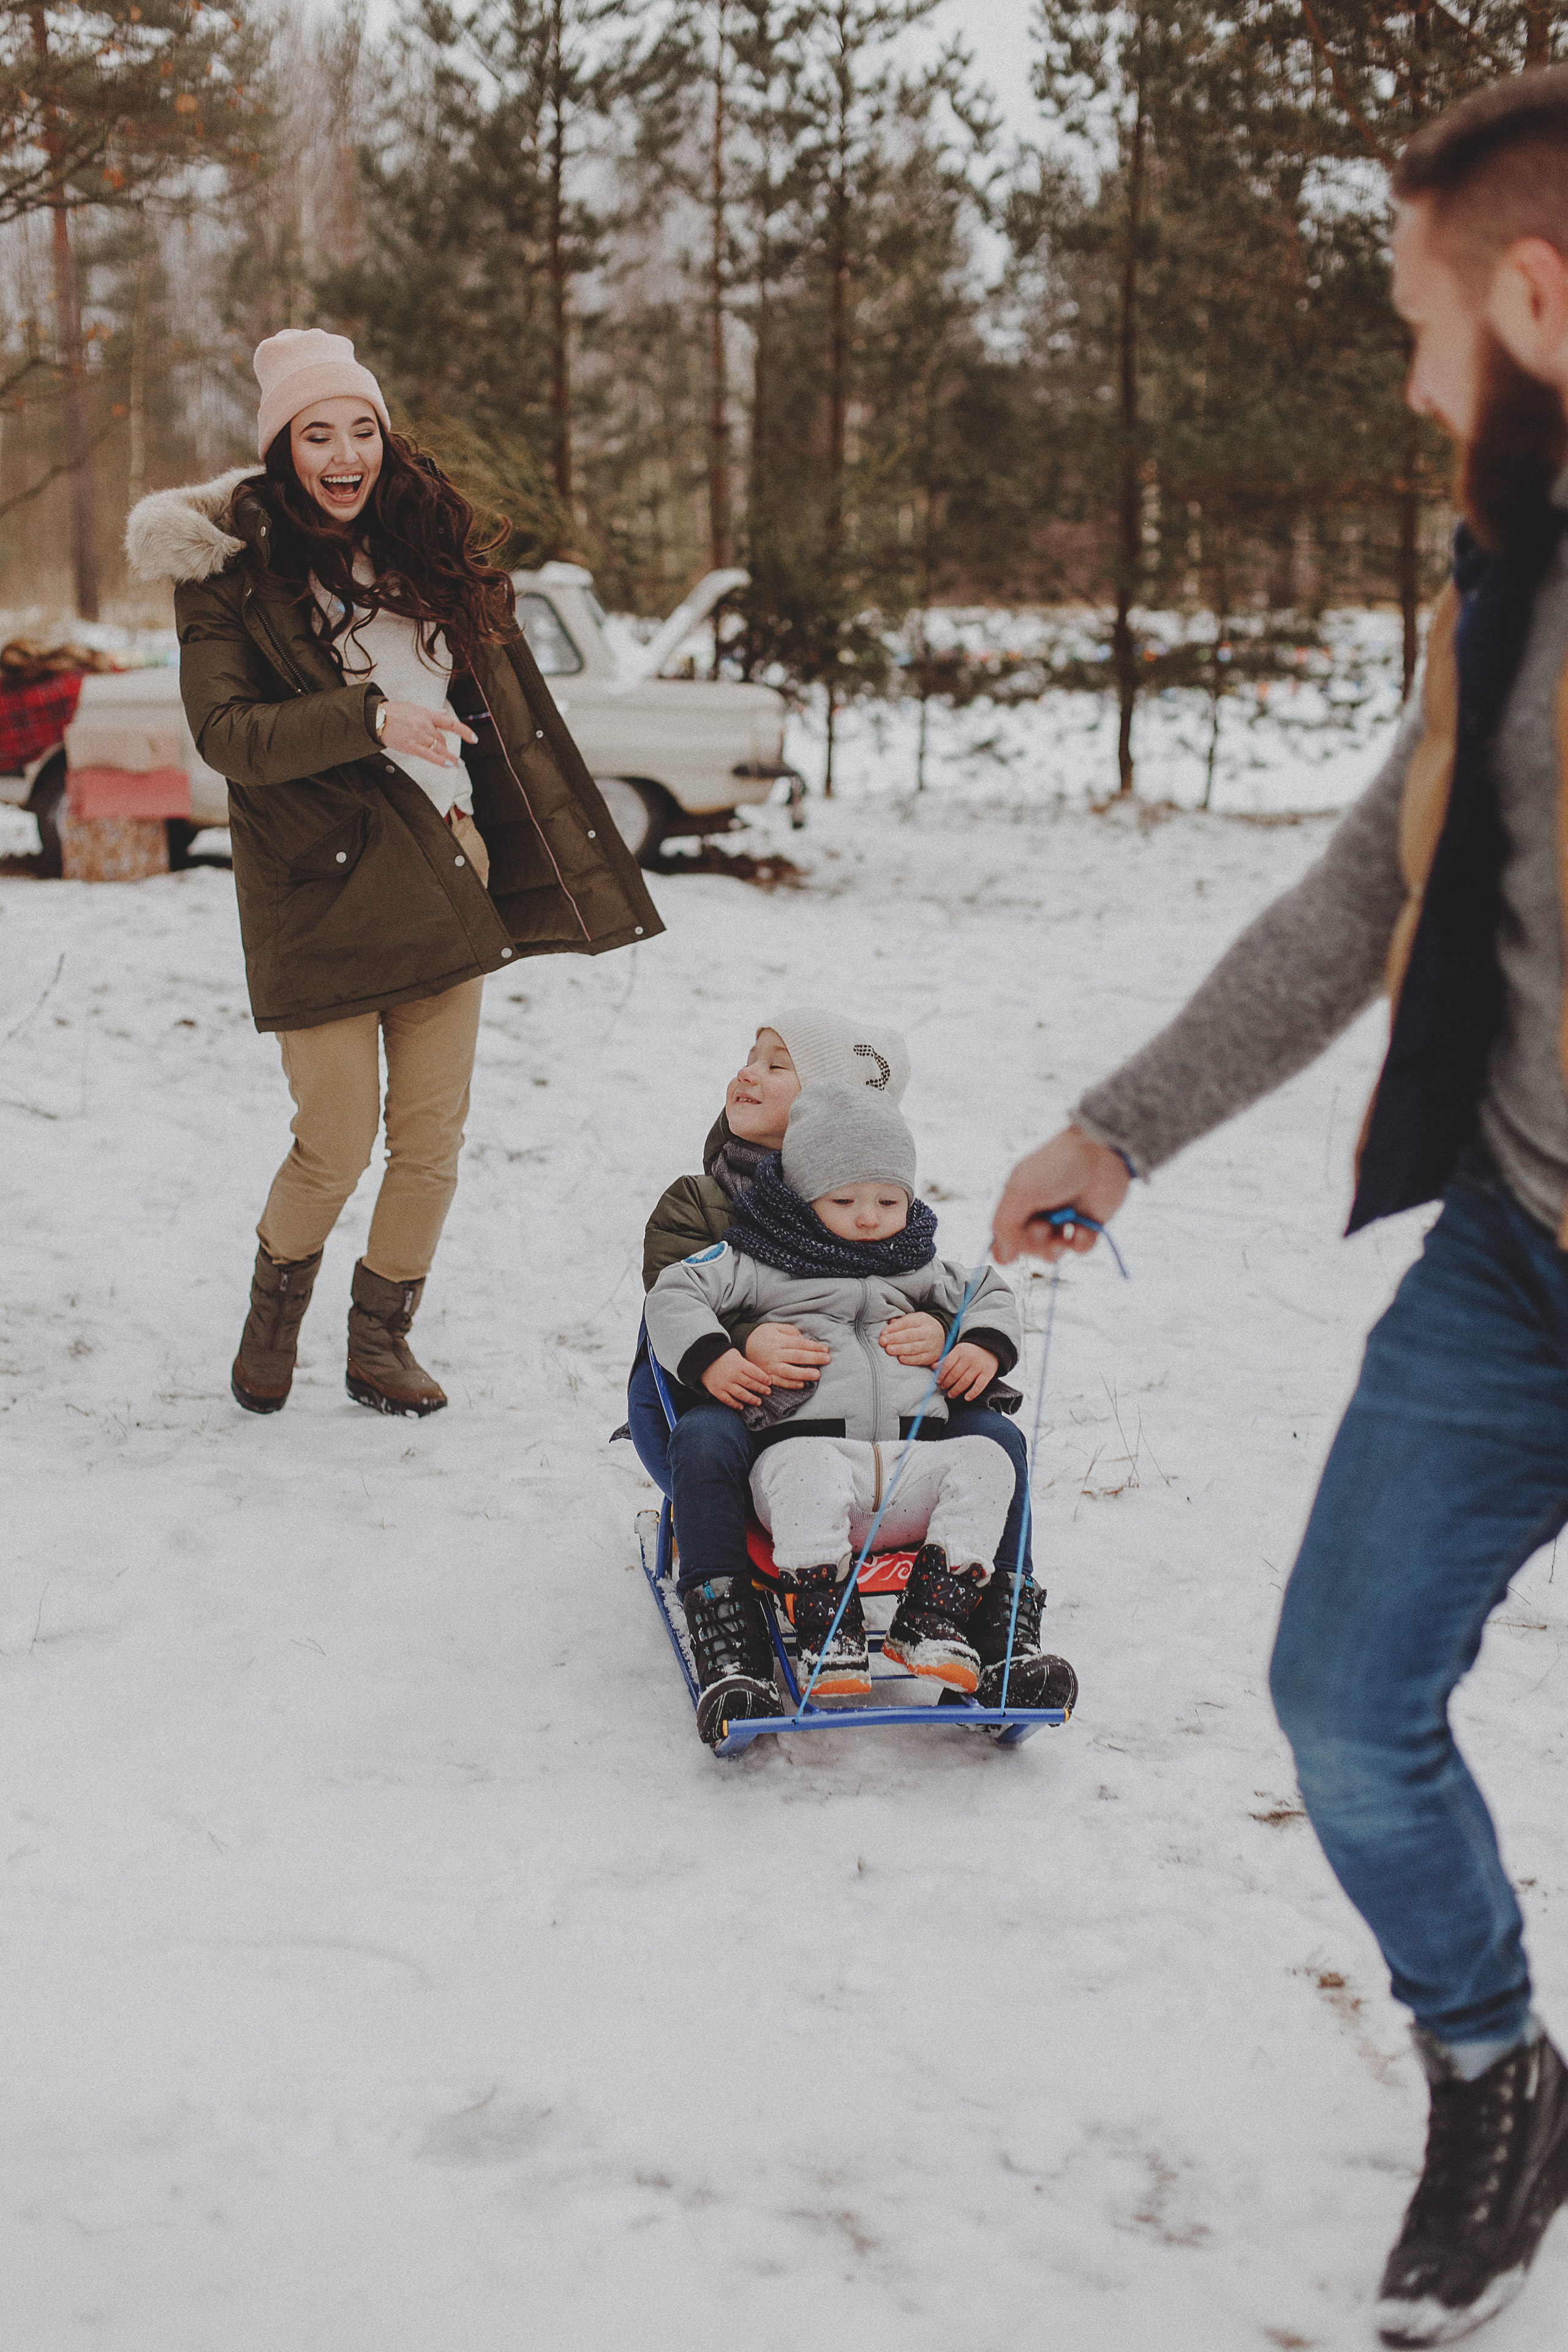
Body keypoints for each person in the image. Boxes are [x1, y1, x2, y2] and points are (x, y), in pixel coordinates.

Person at [992, 69, 1568, 2349]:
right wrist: (1119, 1124)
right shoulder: (1501, 572)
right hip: (1515, 1263)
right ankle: (1486, 2062)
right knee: (1339, 1700)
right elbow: (1369, 885)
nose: (1409, 375)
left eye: (1418, 324)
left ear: (1533, 296)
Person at [128, 328, 660, 1418]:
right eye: (317, 432)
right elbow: (229, 736)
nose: (344, 451)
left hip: (445, 863)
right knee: (332, 1143)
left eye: (361, 428)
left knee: (429, 1141)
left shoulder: (423, 559)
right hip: (318, 888)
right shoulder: (229, 580)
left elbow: (504, 719)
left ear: (384, 440)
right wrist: (369, 716)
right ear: (281, 453)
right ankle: (272, 1316)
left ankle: (381, 1343)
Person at [627, 1006, 1074, 1726]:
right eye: (755, 1058)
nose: (867, 1217)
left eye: (779, 1065)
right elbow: (675, 1293)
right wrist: (742, 1345)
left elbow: (966, 1290)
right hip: (744, 1410)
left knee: (995, 1442)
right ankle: (731, 1638)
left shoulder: (892, 1227)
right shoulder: (705, 1206)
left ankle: (994, 1641)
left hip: (885, 1426)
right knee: (711, 1439)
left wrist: (952, 1334)